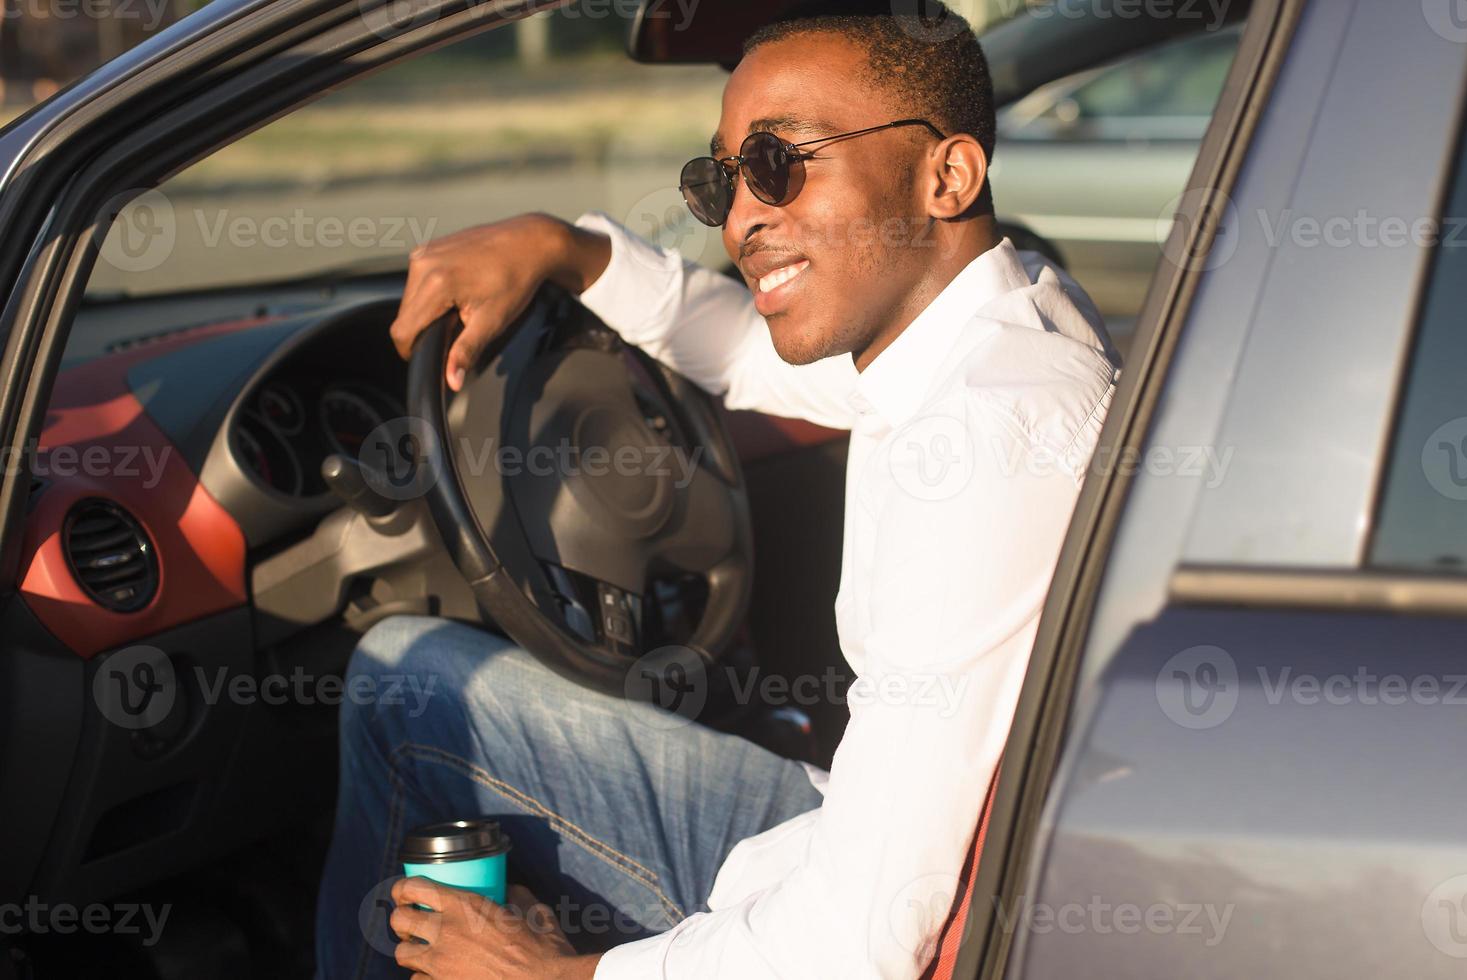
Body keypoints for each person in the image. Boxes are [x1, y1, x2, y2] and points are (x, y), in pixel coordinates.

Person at [315, 5, 1119, 978]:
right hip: (826, 839)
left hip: (857, 911)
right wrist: (564, 250)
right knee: (406, 668)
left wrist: (555, 973)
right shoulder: (999, 318)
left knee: (399, 683)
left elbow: (864, 936)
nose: (740, 218)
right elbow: (743, 352)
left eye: (781, 163)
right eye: (720, 178)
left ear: (946, 175)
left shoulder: (983, 441)